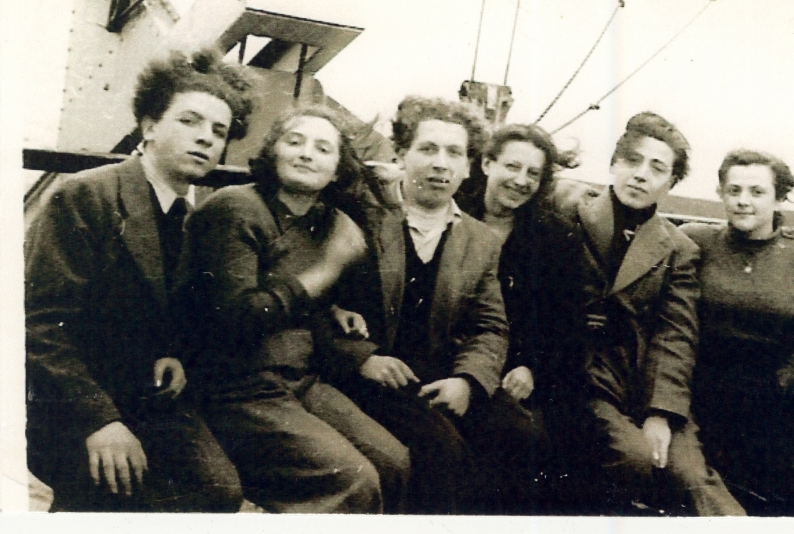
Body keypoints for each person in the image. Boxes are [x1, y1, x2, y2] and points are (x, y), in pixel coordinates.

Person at [25, 49, 251, 512]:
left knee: (219, 492)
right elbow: (38, 325)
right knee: (131, 498)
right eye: (191, 121)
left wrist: (173, 355)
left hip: (144, 400)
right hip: (71, 405)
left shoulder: (188, 217)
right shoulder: (86, 194)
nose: (206, 139)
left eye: (219, 131)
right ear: (149, 126)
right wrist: (99, 422)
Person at [178, 104, 410, 513]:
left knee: (394, 462)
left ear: (338, 170)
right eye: (295, 141)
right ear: (273, 152)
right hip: (236, 388)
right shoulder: (236, 208)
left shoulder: (323, 220)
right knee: (355, 481)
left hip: (298, 380)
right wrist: (324, 274)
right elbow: (237, 319)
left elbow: (290, 283)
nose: (306, 154)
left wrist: (330, 307)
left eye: (323, 148)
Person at [331, 96, 540, 514]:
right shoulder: (360, 217)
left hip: (441, 375)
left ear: (468, 167)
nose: (440, 164)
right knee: (440, 453)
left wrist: (469, 380)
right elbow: (318, 303)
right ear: (402, 155)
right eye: (427, 149)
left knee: (523, 436)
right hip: (372, 377)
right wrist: (362, 357)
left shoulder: (479, 240)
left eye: (454, 153)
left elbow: (490, 327)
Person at [556, 112, 745, 516]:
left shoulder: (677, 248)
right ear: (613, 164)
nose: (640, 175)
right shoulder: (569, 213)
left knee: (692, 478)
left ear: (671, 184)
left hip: (643, 381)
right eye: (631, 161)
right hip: (579, 374)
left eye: (657, 168)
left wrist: (661, 413)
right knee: (634, 457)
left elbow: (675, 335)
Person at [681, 149, 794, 515]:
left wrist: (777, 383)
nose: (743, 201)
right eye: (733, 190)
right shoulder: (694, 240)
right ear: (721, 193)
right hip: (698, 387)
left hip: (767, 398)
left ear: (779, 197)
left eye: (757, 192)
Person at [455, 124, 586, 511]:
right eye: (512, 166)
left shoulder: (554, 237)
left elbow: (565, 325)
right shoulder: (452, 210)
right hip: (450, 354)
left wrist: (532, 367)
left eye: (533, 173)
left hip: (517, 369)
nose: (520, 180)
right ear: (486, 163)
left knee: (535, 440)